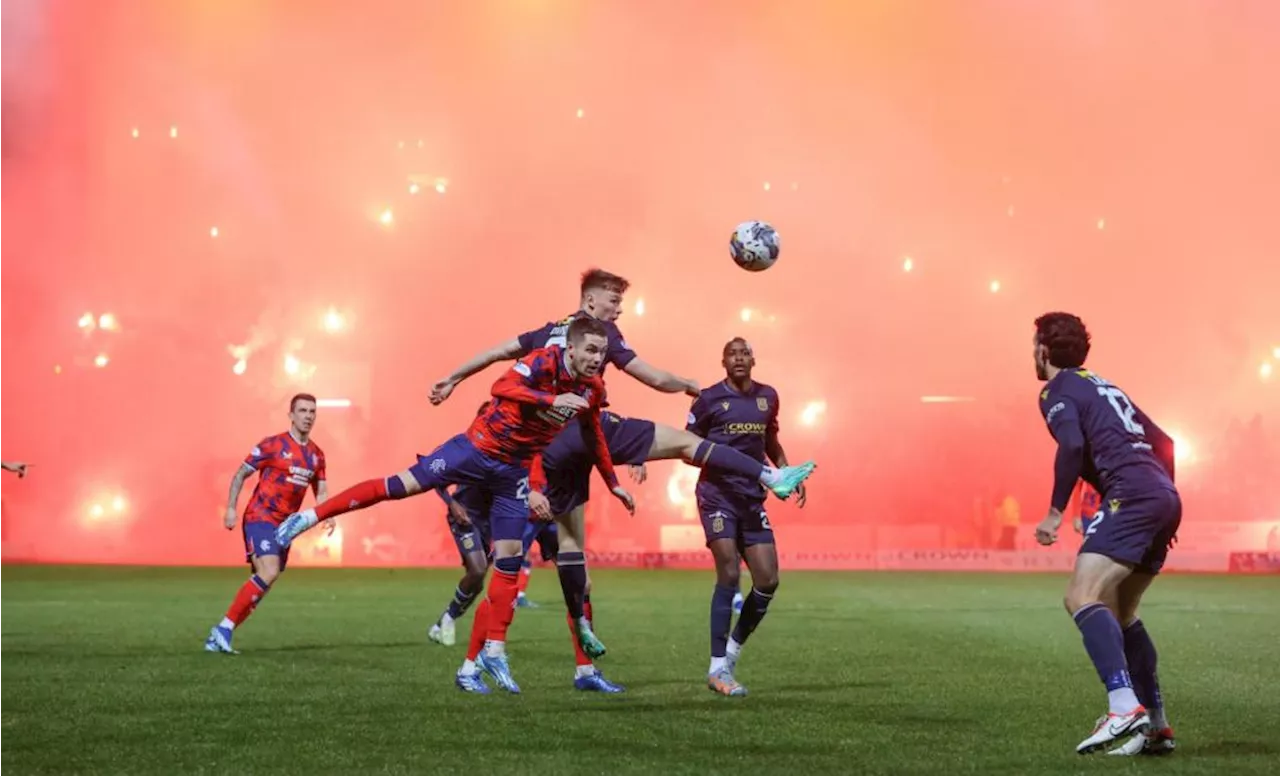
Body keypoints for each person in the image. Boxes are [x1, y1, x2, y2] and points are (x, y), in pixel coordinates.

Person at [274, 316, 634, 694]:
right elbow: (501, 385)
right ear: (572, 348)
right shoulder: (545, 361)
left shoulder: (592, 388)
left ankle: (493, 651)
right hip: (475, 451)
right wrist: (551, 398)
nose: (596, 359)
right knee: (399, 485)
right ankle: (309, 517)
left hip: (513, 472)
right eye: (591, 350)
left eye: (602, 353)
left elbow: (594, 437)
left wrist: (613, 483)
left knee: (509, 561)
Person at [1031, 312, 1179, 756]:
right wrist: (1163, 501)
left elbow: (1072, 446)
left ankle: (1121, 706)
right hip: (1162, 494)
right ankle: (1156, 726)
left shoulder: (1056, 390)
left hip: (1132, 495)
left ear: (1043, 349)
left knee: (1081, 596)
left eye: (1033, 344)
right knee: (1122, 612)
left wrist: (1055, 513)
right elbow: (1165, 440)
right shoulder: (1105, 385)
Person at [688, 338, 806, 697]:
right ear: (722, 361)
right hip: (717, 496)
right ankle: (715, 667)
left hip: (752, 500)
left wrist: (786, 472)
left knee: (768, 580)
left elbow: (770, 440)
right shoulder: (708, 399)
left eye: (744, 353)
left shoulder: (768, 397)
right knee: (728, 568)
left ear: (753, 360)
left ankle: (732, 651)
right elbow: (687, 447)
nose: (738, 358)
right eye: (732, 354)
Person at [205, 394, 328, 654]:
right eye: (303, 410)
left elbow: (322, 490)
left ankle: (221, 635)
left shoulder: (316, 456)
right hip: (260, 516)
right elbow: (241, 474)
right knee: (268, 571)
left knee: (264, 580)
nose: (308, 416)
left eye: (312, 411)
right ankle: (223, 629)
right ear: (291, 415)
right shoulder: (273, 445)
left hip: (285, 527)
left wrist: (327, 514)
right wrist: (230, 508)